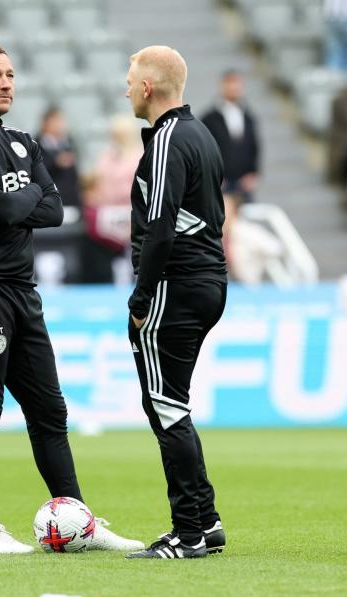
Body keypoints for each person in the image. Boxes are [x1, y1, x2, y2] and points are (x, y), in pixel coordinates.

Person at [0, 41, 142, 555]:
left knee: (51, 413)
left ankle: (78, 522)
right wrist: (21, 200)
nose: (5, 83)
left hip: (22, 291)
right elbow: (10, 209)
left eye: (11, 74)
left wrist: (14, 202)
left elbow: (56, 211)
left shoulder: (23, 141)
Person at [121, 45, 228, 560]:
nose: (126, 87)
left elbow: (161, 227)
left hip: (175, 286)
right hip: (208, 281)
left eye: (130, 78)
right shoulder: (202, 135)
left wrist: (141, 295)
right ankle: (206, 521)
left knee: (165, 406)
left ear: (147, 87)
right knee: (173, 403)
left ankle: (188, 533)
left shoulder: (166, 141)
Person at [80, 115, 143, 283]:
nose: (117, 138)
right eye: (114, 134)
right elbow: (98, 184)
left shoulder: (141, 156)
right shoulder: (105, 156)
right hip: (108, 213)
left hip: (133, 213)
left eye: (121, 134)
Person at [200, 69, 261, 203]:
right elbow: (204, 150)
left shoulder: (248, 116)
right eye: (230, 82)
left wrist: (253, 173)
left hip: (244, 184)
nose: (234, 87)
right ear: (222, 85)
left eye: (237, 83)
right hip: (221, 184)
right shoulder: (209, 118)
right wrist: (213, 177)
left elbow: (254, 146)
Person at [222, 193, 282, 285]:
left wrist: (254, 253)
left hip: (247, 286)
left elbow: (275, 248)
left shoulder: (248, 232)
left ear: (234, 209)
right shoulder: (211, 232)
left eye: (225, 207)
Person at [34, 107, 81, 209]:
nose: (61, 125)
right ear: (46, 123)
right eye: (56, 121)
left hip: (70, 202)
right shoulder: (34, 144)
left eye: (62, 120)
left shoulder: (69, 143)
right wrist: (56, 163)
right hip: (47, 203)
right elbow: (34, 172)